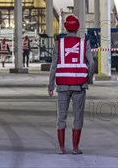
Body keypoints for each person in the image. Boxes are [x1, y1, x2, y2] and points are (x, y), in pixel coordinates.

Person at [48, 14, 94, 154]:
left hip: (62, 86)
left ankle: (61, 148)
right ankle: (75, 148)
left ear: (65, 27)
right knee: (78, 116)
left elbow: (53, 66)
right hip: (79, 86)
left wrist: (51, 86)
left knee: (61, 116)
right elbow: (91, 63)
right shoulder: (84, 43)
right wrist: (87, 79)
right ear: (78, 27)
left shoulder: (59, 44)